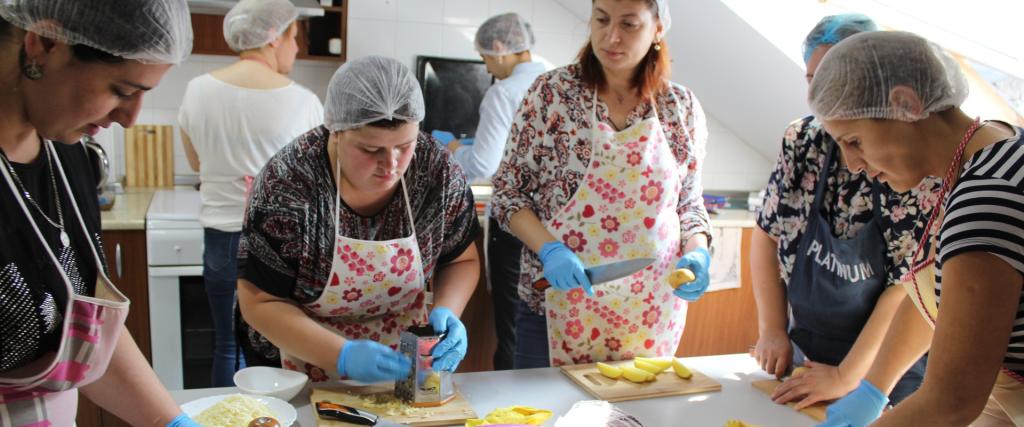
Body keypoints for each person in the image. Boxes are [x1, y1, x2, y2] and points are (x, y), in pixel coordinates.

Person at [809, 31, 1024, 426]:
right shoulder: (1000, 144)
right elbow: (960, 307)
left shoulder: (984, 201)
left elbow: (950, 402)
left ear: (906, 105)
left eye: (854, 140)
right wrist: (875, 389)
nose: (853, 163)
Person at [0, 0, 199, 425]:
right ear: (45, 44)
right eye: (122, 91)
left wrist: (170, 421)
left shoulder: (68, 153)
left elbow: (82, 331)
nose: (130, 119)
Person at [489, 0, 712, 368]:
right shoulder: (551, 94)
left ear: (657, 29)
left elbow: (688, 203)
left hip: (649, 309)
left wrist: (698, 249)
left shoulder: (680, 106)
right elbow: (509, 193)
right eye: (602, 20)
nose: (612, 37)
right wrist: (549, 250)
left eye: (629, 24)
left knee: (637, 421)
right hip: (556, 301)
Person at [236, 56, 480, 384]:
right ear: (335, 131)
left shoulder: (437, 171)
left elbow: (461, 260)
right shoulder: (288, 183)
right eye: (370, 149)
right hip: (301, 354)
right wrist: (342, 355)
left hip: (402, 354)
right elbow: (260, 301)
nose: (390, 164)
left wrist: (449, 309)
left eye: (405, 146)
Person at [751, 14, 936, 410]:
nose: (821, 93)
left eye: (835, 77)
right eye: (812, 79)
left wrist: (849, 378)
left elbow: (909, 288)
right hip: (807, 358)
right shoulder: (802, 140)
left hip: (888, 372)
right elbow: (766, 233)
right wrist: (771, 330)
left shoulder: (906, 158)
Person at [178, 0, 323, 387]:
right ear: (274, 37)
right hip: (283, 244)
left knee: (228, 345)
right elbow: (319, 180)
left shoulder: (197, 91)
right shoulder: (304, 101)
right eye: (295, 37)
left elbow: (195, 162)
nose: (296, 47)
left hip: (222, 237)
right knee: (282, 346)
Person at [447, 12, 548, 371]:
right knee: (546, 323)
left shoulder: (502, 93)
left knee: (513, 323)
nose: (488, 65)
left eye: (486, 57)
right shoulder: (556, 83)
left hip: (514, 222)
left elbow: (485, 166)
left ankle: (508, 415)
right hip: (554, 226)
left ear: (502, 49)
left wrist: (458, 150)